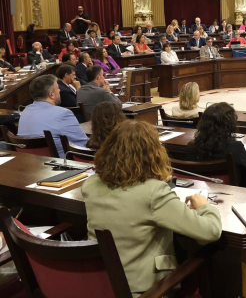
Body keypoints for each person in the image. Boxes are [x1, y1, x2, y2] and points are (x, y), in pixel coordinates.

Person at [82, 120, 222, 296]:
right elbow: (210, 232)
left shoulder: (90, 185)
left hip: (103, 287)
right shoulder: (154, 192)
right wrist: (204, 207)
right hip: (149, 291)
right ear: (153, 154)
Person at [184, 103, 246, 188]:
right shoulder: (236, 147)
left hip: (201, 191)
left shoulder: (191, 146)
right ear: (230, 124)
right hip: (233, 194)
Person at [18, 74, 89, 157]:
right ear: (51, 94)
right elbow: (83, 143)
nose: (59, 90)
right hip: (61, 163)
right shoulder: (63, 114)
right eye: (58, 88)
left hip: (30, 162)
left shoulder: (25, 112)